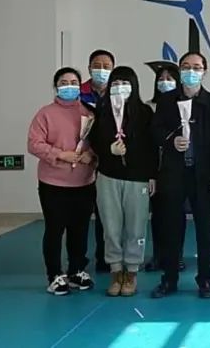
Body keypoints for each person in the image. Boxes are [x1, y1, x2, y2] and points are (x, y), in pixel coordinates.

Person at [150, 52, 210, 299]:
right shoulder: (166, 101)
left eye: (196, 67)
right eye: (186, 66)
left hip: (203, 176)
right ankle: (169, 279)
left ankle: (205, 280)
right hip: (174, 173)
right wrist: (171, 140)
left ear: (204, 71)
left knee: (205, 231)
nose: (191, 71)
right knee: (171, 228)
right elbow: (156, 131)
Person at [88, 66, 158, 297]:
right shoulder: (102, 111)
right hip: (108, 177)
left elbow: (152, 148)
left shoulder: (145, 113)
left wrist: (152, 175)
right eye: (116, 83)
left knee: (136, 227)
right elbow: (93, 141)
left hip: (137, 179)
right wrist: (108, 149)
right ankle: (116, 271)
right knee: (111, 227)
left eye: (125, 83)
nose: (120, 88)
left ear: (134, 86)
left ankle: (132, 272)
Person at [27, 67, 97, 296]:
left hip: (84, 182)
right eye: (64, 83)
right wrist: (59, 154)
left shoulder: (89, 112)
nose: (69, 86)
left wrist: (91, 156)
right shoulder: (45, 114)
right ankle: (55, 275)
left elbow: (99, 142)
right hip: (53, 183)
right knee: (55, 229)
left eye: (74, 82)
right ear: (56, 87)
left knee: (80, 229)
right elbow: (34, 144)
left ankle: (76, 270)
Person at [143, 62, 185, 273]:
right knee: (158, 214)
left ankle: (176, 256)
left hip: (176, 169)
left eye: (170, 79)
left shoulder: (183, 106)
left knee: (175, 215)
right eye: (161, 79)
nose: (165, 83)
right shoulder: (147, 107)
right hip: (154, 169)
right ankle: (158, 254)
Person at [81, 49, 115, 273]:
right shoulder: (78, 94)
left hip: (109, 163)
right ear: (89, 68)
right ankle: (78, 260)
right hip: (82, 162)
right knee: (82, 214)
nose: (101, 70)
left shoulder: (119, 93)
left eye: (106, 66)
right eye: (97, 65)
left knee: (106, 214)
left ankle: (105, 256)